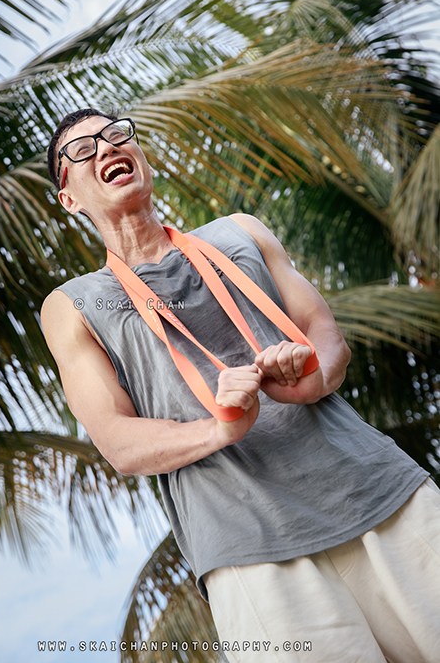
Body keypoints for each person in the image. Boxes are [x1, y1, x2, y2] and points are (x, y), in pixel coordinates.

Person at [41, 108, 440, 663]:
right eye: (82, 151)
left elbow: (326, 335)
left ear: (140, 155)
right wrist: (220, 426)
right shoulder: (74, 304)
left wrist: (311, 379)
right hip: (250, 547)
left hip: (379, 492)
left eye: (115, 135)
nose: (106, 149)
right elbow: (119, 443)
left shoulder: (240, 231)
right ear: (69, 199)